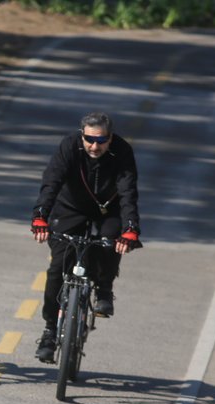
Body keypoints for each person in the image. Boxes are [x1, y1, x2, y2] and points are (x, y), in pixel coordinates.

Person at [30, 111, 142, 363]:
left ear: (110, 138)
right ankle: (49, 331)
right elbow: (52, 182)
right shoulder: (69, 146)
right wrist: (40, 216)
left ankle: (104, 288)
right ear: (82, 135)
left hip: (108, 208)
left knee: (111, 242)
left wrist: (131, 228)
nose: (94, 146)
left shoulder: (122, 151)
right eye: (90, 139)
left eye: (101, 140)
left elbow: (128, 192)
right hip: (70, 207)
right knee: (57, 269)